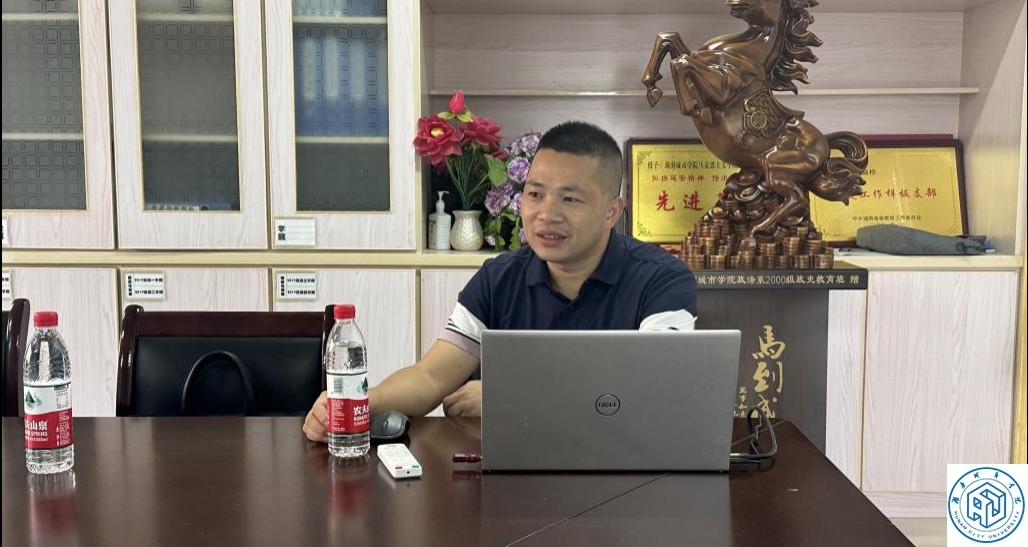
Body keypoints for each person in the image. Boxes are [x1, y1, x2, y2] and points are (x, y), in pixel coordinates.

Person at [303, 121, 697, 442]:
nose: (546, 214)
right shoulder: (499, 278)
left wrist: (511, 398)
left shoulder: (662, 281)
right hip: (514, 476)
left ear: (612, 212)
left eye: (570, 199)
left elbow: (653, 393)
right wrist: (357, 403)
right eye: (535, 194)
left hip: (623, 474)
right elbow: (431, 377)